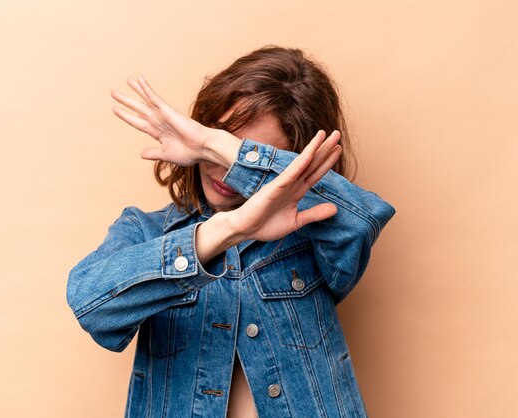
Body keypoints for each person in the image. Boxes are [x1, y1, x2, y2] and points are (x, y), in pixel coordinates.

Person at [66, 45, 396, 418]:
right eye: (216, 135)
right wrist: (228, 230)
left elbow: (364, 218)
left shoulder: (313, 233)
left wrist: (216, 144)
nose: (223, 174)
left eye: (244, 156)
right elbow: (92, 304)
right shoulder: (147, 230)